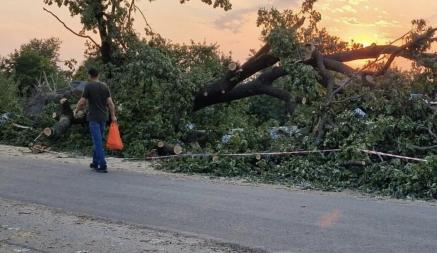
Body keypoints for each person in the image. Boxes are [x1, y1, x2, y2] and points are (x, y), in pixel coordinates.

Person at [74, 68, 117, 173]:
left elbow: (82, 102)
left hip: (93, 118)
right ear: (98, 75)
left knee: (97, 142)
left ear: (89, 75)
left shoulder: (88, 86)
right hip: (103, 117)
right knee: (97, 140)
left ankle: (102, 165)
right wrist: (113, 116)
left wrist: (76, 110)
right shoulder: (104, 86)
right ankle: (95, 162)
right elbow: (110, 103)